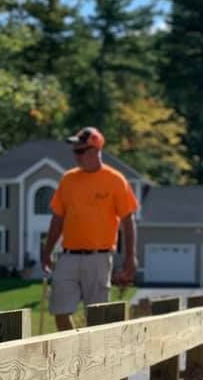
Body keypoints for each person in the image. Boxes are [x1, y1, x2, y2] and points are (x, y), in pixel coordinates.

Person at [40, 127, 138, 331]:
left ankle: (93, 359)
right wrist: (47, 251)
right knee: (60, 310)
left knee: (97, 316)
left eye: (80, 151)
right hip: (68, 256)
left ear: (95, 150)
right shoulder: (68, 180)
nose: (76, 155)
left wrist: (130, 258)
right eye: (75, 151)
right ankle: (75, 354)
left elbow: (128, 221)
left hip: (99, 258)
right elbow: (57, 218)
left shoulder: (115, 180)